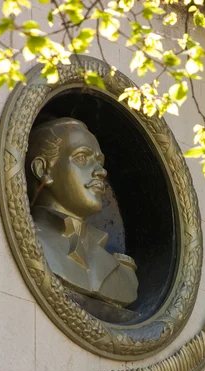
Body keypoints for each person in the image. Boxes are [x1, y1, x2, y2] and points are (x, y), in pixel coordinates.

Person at [26, 117, 138, 307]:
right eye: (82, 158)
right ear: (43, 170)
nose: (101, 172)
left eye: (99, 162)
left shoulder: (124, 276)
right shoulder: (29, 239)